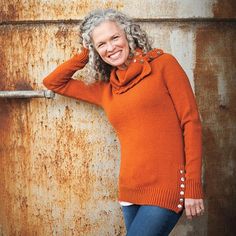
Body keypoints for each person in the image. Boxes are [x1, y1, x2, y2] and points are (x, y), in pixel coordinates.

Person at [43, 8, 204, 236]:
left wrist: (193, 185)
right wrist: (86, 53)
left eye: (115, 37)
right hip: (130, 190)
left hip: (166, 185)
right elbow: (53, 82)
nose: (110, 47)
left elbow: (191, 123)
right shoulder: (106, 89)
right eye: (101, 44)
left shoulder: (163, 65)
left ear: (128, 35)